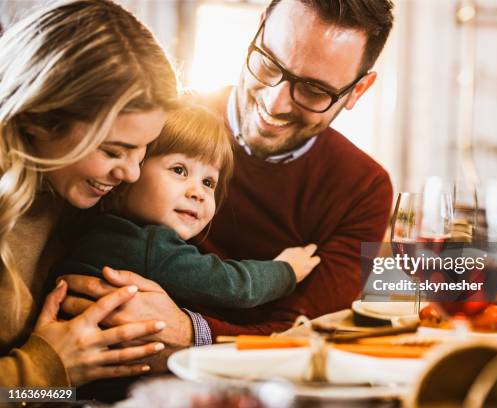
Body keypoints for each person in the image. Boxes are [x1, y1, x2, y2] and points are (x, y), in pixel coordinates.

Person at [61, 0, 394, 349]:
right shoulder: (165, 119)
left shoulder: (364, 188)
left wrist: (191, 332)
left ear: (357, 90)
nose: (274, 103)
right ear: (259, 28)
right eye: (269, 64)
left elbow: (306, 334)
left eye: (314, 91)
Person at [0, 0, 181, 386]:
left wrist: (183, 330)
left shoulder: (75, 197)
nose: (132, 172)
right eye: (113, 150)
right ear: (37, 120)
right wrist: (42, 371)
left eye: (144, 146)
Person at [54, 104, 321, 310]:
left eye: (208, 182)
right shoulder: (148, 245)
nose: (198, 193)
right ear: (132, 171)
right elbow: (232, 286)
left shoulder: (109, 232)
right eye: (179, 170)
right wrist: (286, 271)